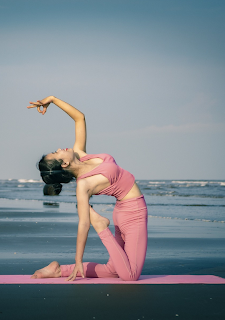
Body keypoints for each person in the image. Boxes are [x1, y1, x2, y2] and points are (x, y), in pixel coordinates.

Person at [27, 96, 148, 281]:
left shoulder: (81, 155)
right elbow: (83, 224)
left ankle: (59, 270)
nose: (60, 148)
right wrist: (78, 258)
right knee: (130, 276)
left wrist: (52, 99)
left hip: (123, 212)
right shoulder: (83, 184)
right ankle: (101, 227)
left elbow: (79, 118)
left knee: (113, 270)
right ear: (65, 163)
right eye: (56, 152)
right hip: (135, 214)